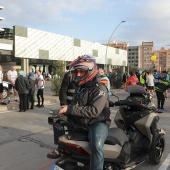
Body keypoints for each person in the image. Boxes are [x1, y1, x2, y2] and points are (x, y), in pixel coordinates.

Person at [58, 55, 111, 170]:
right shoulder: (81, 87)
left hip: (97, 122)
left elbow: (94, 111)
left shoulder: (99, 88)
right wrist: (66, 112)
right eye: (76, 71)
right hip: (81, 121)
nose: (77, 74)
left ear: (90, 71)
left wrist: (70, 109)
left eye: (81, 71)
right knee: (58, 126)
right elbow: (77, 105)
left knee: (96, 145)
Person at [47, 69, 77, 159]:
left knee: (76, 127)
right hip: (68, 107)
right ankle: (60, 148)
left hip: (83, 109)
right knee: (58, 123)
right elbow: (63, 90)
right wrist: (64, 104)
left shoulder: (90, 77)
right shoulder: (69, 75)